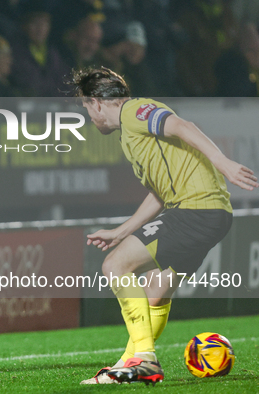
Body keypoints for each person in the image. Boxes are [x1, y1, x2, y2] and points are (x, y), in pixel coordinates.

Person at [72, 67, 257, 385]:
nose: (89, 116)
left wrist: (223, 163)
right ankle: (129, 365)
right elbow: (160, 193)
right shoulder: (129, 137)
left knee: (116, 265)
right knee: (154, 293)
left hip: (195, 210)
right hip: (209, 213)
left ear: (97, 102)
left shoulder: (134, 111)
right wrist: (121, 231)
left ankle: (143, 359)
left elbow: (183, 125)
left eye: (86, 108)